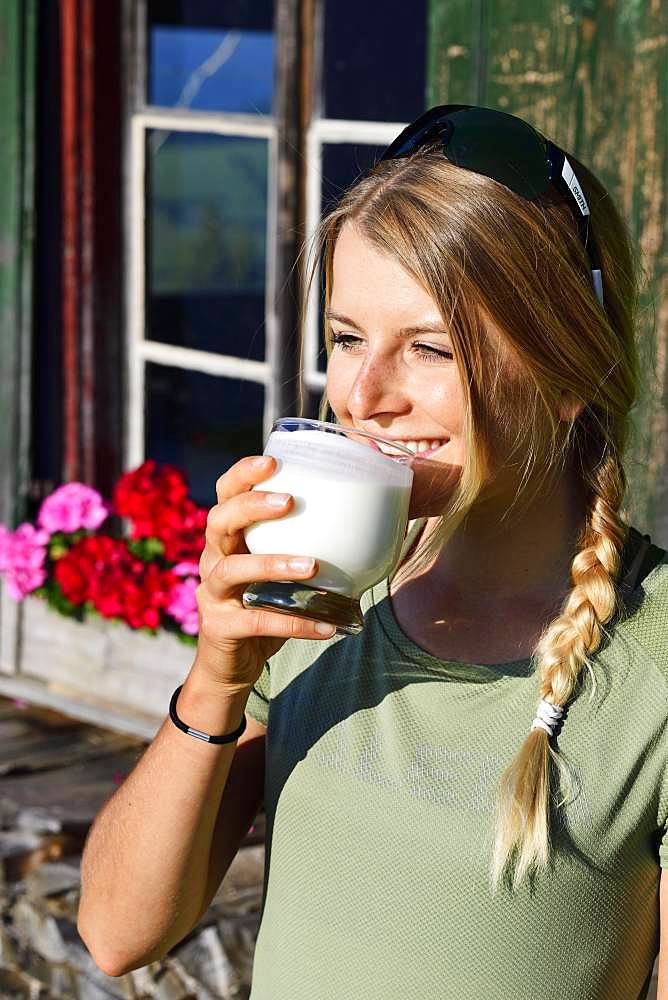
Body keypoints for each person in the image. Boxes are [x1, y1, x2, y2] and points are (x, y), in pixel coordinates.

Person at [77, 106, 668, 999]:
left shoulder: (650, 667)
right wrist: (217, 677)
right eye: (347, 338)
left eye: (429, 348)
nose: (360, 394)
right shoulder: (329, 597)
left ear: (571, 367)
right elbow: (119, 933)